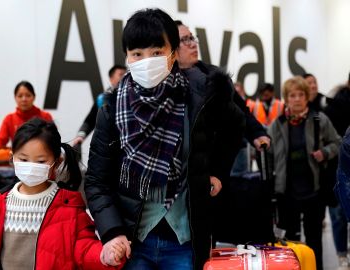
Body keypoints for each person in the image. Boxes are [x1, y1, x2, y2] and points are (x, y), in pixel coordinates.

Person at [85, 9, 245, 269]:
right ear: (127, 57)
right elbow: (97, 181)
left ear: (172, 54)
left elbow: (237, 125)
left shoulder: (200, 96)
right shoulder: (112, 109)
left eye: (157, 52)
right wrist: (113, 232)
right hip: (133, 244)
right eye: (137, 54)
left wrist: (217, 171)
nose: (147, 60)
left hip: (185, 241)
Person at [0, 118, 123, 269]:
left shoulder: (69, 207)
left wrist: (104, 256)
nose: (31, 166)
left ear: (58, 161)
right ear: (12, 157)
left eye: (41, 161)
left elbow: (84, 248)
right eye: (23, 159)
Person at [175, 21, 269, 179]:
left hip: (213, 170)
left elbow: (239, 108)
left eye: (192, 38)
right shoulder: (162, 84)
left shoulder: (214, 76)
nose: (192, 44)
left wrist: (256, 133)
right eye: (185, 40)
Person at [267, 76, 341, 270]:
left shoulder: (319, 119)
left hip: (314, 191)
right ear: (286, 98)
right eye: (292, 95)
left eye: (301, 94)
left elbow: (338, 143)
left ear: (307, 97)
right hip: (287, 192)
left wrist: (324, 153)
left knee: (314, 239)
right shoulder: (277, 124)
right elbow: (268, 153)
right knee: (290, 241)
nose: (297, 99)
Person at [323, 85, 350, 268]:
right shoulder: (333, 107)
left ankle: (342, 254)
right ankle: (341, 254)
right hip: (337, 170)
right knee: (339, 215)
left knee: (339, 216)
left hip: (338, 171)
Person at [72, 65, 126, 146]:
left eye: (127, 74)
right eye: (121, 74)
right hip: (108, 148)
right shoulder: (102, 99)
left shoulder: (135, 97)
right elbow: (90, 121)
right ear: (111, 79)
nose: (125, 77)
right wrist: (80, 136)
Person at [0, 80, 53, 148]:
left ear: (34, 97)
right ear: (15, 98)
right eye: (20, 96)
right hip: (18, 157)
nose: (24, 99)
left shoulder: (45, 116)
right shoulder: (9, 119)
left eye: (28, 95)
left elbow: (53, 141)